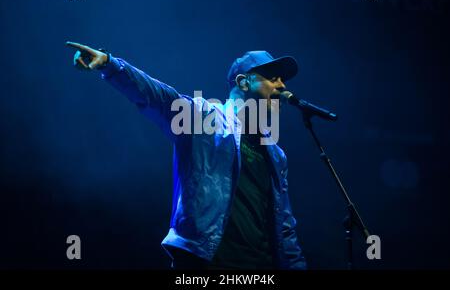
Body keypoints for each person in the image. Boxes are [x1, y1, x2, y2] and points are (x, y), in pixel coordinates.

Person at [66, 41, 307, 270]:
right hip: (210, 264)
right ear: (243, 83)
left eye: (283, 80)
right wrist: (111, 64)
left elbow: (285, 226)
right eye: (273, 78)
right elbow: (158, 96)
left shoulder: (276, 154)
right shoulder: (204, 119)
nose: (282, 85)